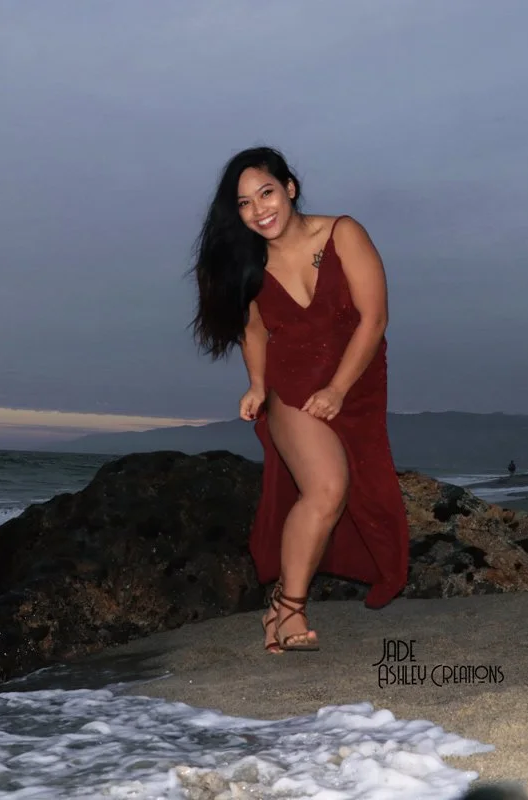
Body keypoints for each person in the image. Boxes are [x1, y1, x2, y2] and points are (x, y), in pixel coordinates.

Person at [189, 146, 409, 654]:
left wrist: (337, 389)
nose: (258, 210)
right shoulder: (250, 262)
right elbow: (256, 332)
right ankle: (289, 609)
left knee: (363, 492)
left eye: (266, 193)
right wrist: (258, 386)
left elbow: (374, 320)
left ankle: (278, 611)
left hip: (356, 385)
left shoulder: (343, 233)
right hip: (291, 387)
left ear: (289, 188)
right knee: (328, 488)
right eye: (243, 204)